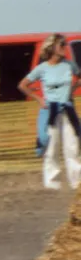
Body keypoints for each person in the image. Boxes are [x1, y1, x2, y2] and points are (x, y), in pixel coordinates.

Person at [18, 33, 81, 190]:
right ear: (52, 48)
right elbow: (23, 85)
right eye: (61, 45)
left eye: (65, 44)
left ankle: (77, 183)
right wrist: (39, 99)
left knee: (72, 146)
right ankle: (52, 184)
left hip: (68, 109)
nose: (65, 47)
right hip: (51, 110)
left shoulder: (69, 65)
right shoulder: (42, 68)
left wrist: (73, 89)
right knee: (52, 146)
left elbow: (79, 77)